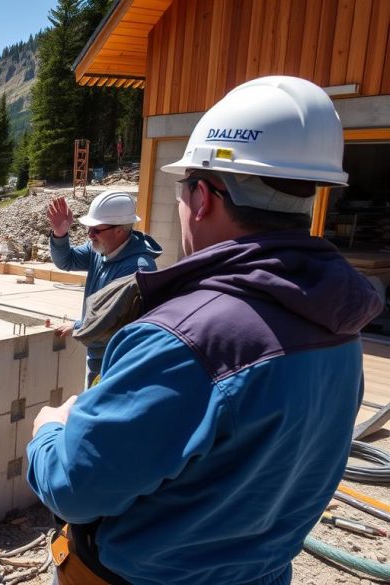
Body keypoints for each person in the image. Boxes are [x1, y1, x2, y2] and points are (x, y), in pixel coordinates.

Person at [26, 76, 384, 585]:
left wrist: (50, 432)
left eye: (181, 188)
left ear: (203, 198)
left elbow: (75, 488)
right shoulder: (341, 326)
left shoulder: (185, 338)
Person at [46, 190, 162, 384]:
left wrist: (77, 326)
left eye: (96, 230)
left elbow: (109, 323)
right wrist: (60, 233)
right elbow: (67, 261)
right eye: (89, 228)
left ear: (120, 230)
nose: (90, 235)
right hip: (98, 356)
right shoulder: (100, 249)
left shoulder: (136, 270)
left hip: (116, 364)